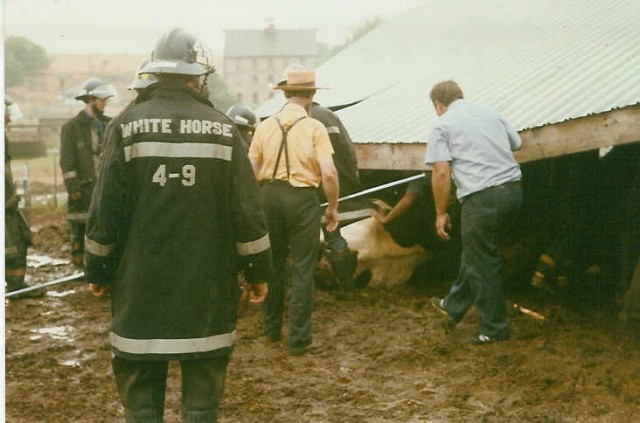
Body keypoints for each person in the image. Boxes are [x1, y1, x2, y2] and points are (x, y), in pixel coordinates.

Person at [84, 28, 272, 422]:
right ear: (198, 75)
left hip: (139, 291)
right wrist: (258, 272)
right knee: (202, 407)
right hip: (206, 291)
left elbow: (105, 211)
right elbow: (247, 211)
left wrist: (97, 270)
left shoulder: (126, 125)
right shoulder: (224, 130)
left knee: (141, 407)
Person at [249, 66, 339, 356]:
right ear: (311, 95)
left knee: (272, 265)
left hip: (269, 196)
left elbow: (251, 169)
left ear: (286, 94)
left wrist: (255, 203)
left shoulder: (264, 125)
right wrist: (333, 207)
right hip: (302, 200)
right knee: (302, 269)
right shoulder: (315, 128)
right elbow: (329, 173)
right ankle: (299, 339)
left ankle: (272, 329)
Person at [425, 80, 522, 345]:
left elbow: (441, 171)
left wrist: (440, 212)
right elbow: (517, 143)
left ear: (439, 104)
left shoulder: (442, 124)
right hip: (513, 193)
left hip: (482, 198)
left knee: (483, 262)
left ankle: (494, 328)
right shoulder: (491, 112)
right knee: (477, 251)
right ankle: (453, 305)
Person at [60, 77, 116, 267]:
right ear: (91, 100)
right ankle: (78, 267)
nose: (105, 104)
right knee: (80, 227)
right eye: (102, 100)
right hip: (83, 189)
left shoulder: (110, 124)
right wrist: (72, 184)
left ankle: (101, 265)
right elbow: (66, 159)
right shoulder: (72, 127)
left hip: (104, 188)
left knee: (104, 225)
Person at [310, 102, 363, 291]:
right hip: (333, 185)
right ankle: (347, 285)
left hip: (305, 187)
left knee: (302, 236)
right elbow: (348, 151)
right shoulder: (329, 115)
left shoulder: (289, 117)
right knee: (334, 235)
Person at [4, 97, 41, 299]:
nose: (9, 120)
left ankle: (16, 285)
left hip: (8, 201)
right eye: (6, 116)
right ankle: (15, 287)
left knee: (18, 241)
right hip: (6, 203)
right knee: (14, 242)